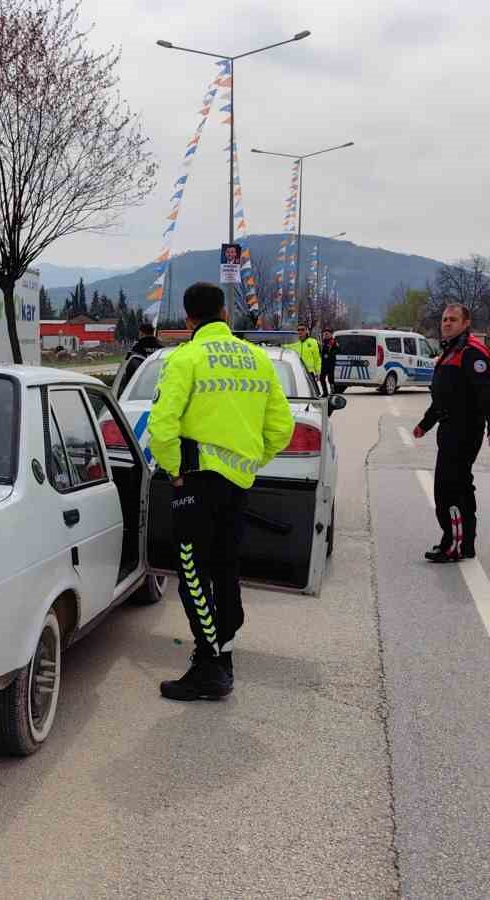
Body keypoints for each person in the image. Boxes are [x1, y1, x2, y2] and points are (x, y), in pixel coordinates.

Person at [148, 282, 294, 701]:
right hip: (237, 485)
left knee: (193, 573)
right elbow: (281, 428)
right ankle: (222, 655)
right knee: (227, 570)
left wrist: (175, 472)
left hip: (194, 482)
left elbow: (162, 426)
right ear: (226, 313)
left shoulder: (186, 358)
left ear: (189, 318)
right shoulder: (256, 359)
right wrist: (250, 461)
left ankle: (210, 666)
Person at [412, 304, 490, 563]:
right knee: (461, 486)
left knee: (447, 489)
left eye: (453, 319)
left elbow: (486, 393)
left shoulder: (470, 352)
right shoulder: (452, 349)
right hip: (451, 428)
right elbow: (444, 399)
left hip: (464, 431)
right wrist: (425, 425)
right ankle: (465, 544)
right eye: (444, 319)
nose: (447, 323)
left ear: (466, 323)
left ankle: (452, 544)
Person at [319, 327, 338, 394]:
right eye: (325, 334)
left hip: (330, 363)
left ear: (330, 334)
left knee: (330, 378)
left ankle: (333, 391)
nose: (326, 335)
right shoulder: (323, 342)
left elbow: (337, 350)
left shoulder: (333, 342)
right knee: (321, 378)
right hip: (324, 363)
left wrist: (329, 355)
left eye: (327, 334)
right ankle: (325, 392)